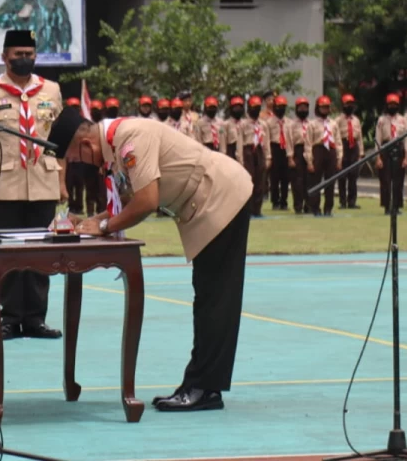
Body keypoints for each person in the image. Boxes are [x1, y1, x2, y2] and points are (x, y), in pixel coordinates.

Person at [46, 106, 253, 411]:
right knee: (209, 296)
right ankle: (201, 384)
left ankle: (204, 388)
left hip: (221, 198)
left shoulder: (130, 139)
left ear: (86, 145)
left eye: (76, 158)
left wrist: (103, 226)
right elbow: (127, 202)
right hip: (207, 202)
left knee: (215, 298)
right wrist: (92, 221)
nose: (80, 164)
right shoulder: (116, 145)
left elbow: (146, 202)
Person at [0, 29, 65, 340]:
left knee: (41, 255)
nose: (23, 60)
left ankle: (35, 319)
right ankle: (8, 319)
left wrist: (62, 181)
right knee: (7, 255)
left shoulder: (51, 90)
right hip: (4, 184)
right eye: (17, 54)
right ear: (4, 57)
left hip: (42, 181)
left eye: (29, 54)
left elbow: (60, 140)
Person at [305, 96, 343, 217]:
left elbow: (338, 142)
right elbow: (308, 143)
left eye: (327, 107)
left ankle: (328, 208)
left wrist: (339, 158)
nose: (325, 110)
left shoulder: (333, 124)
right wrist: (309, 161)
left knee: (330, 181)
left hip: (330, 151)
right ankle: (315, 208)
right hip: (318, 150)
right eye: (322, 107)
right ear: (317, 108)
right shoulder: (312, 124)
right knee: (315, 181)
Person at [375, 93, 407, 214]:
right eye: (390, 104)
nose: (392, 106)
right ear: (387, 105)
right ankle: (386, 206)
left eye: (395, 104)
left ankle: (396, 206)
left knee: (398, 180)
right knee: (385, 179)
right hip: (385, 147)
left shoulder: (403, 120)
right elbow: (378, 139)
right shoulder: (381, 120)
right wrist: (378, 157)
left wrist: (406, 157)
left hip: (399, 147)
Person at [238, 95, 271, 217]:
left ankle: (257, 209)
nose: (256, 109)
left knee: (260, 181)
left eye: (258, 107)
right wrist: (240, 159)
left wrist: (268, 157)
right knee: (249, 181)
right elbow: (240, 142)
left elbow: (266, 141)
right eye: (254, 107)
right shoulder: (243, 124)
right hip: (248, 152)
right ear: (249, 108)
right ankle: (248, 209)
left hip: (260, 151)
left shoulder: (263, 124)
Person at [337, 94, 363, 210]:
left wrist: (361, 152)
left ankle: (352, 201)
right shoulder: (338, 120)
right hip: (343, 146)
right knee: (342, 176)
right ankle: (342, 202)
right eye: (347, 104)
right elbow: (336, 136)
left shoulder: (356, 120)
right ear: (343, 105)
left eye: (351, 104)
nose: (349, 106)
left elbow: (360, 137)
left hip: (354, 147)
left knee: (353, 176)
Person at [267, 96, 292, 211]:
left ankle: (284, 201)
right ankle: (275, 201)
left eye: (283, 107)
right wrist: (269, 156)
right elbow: (266, 139)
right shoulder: (268, 122)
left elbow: (290, 139)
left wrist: (291, 155)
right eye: (278, 107)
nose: (281, 109)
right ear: (274, 107)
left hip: (285, 149)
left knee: (285, 178)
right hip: (274, 148)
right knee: (274, 177)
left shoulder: (289, 122)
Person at [288, 97, 311, 215]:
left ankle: (309, 205)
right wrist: (290, 157)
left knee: (310, 179)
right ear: (297, 109)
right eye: (300, 107)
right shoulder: (291, 125)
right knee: (297, 180)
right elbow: (289, 141)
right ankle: (298, 205)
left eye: (305, 107)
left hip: (309, 151)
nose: (303, 109)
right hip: (297, 150)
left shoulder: (311, 123)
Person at [64, 97, 86, 214]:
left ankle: (79, 206)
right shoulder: (63, 122)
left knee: (79, 185)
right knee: (69, 183)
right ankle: (71, 205)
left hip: (81, 159)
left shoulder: (83, 123)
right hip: (67, 159)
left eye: (76, 108)